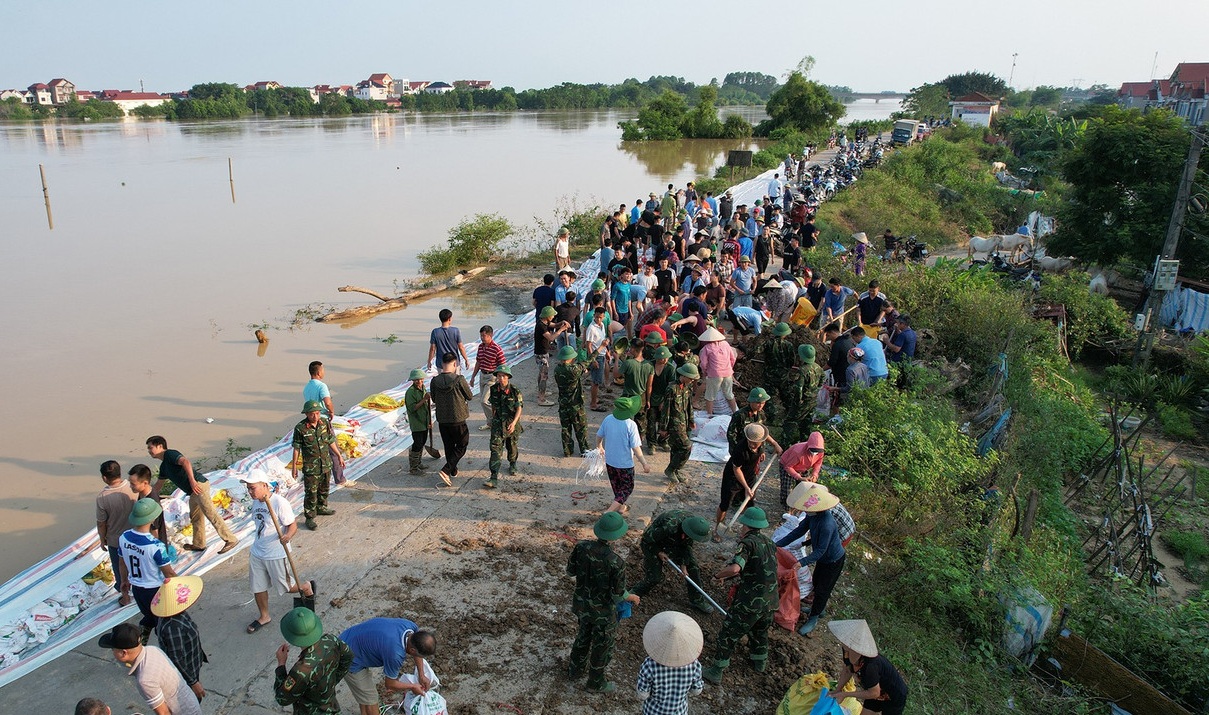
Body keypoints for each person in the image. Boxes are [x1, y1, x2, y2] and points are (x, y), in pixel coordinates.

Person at [701, 506, 778, 684]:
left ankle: (716, 670)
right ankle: (759, 663)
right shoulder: (769, 543)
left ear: (746, 524)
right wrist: (728, 578)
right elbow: (758, 569)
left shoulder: (747, 544)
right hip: (771, 600)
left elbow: (735, 568)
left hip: (750, 602)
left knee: (728, 633)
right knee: (760, 632)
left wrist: (718, 576)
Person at [566, 512, 641, 693]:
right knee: (601, 647)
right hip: (603, 613)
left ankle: (575, 670)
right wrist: (632, 597)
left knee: (583, 636)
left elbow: (570, 571)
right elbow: (618, 594)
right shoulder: (616, 562)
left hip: (582, 605)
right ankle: (595, 683)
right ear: (617, 535)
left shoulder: (581, 547)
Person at [243, 473, 314, 634]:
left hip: (275, 553)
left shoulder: (279, 503)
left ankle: (305, 586)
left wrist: (287, 536)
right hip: (257, 551)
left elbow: (292, 525)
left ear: (264, 486)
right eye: (248, 489)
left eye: (253, 488)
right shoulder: (256, 502)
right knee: (258, 586)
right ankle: (264, 616)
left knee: (286, 587)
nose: (250, 492)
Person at [146, 436, 238, 554]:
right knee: (195, 516)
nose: (149, 451)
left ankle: (230, 539)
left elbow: (185, 462)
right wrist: (147, 498)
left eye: (150, 447)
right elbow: (158, 485)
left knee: (210, 512)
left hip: (198, 486)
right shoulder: (164, 467)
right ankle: (199, 544)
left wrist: (192, 481)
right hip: (193, 491)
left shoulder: (170, 454)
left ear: (159, 446)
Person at [776, 482, 846, 635]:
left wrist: (801, 562)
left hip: (833, 560)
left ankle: (814, 617)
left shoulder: (826, 523)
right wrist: (777, 544)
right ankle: (818, 609)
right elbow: (798, 531)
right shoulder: (811, 516)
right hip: (823, 558)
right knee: (816, 582)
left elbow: (821, 550)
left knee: (822, 589)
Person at [339, 617, 437, 715]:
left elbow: (416, 650)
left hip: (351, 637)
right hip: (348, 656)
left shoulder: (409, 626)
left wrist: (421, 674)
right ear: (412, 650)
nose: (420, 658)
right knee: (371, 699)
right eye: (420, 656)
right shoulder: (395, 654)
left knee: (365, 695)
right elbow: (390, 684)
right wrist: (412, 687)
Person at [99, 623, 201, 715]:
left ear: (124, 653)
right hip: (191, 704)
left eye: (112, 649)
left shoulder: (145, 681)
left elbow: (164, 713)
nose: (112, 652)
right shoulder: (153, 649)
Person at [274, 607, 353, 715]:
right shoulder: (331, 640)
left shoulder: (300, 671)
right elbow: (348, 656)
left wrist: (281, 665)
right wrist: (331, 682)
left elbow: (282, 699)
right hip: (332, 708)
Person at [631, 510, 713, 612]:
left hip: (675, 541)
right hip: (653, 544)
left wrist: (683, 564)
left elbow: (686, 546)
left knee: (693, 568)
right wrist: (659, 552)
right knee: (654, 578)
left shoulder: (691, 526)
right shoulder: (669, 526)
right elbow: (646, 540)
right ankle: (632, 594)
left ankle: (697, 599)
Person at [119, 498, 178, 641]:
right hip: (155, 591)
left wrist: (124, 581)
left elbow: (122, 563)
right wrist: (182, 588)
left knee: (148, 614)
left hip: (137, 589)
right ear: (152, 519)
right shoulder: (155, 546)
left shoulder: (124, 537)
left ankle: (143, 635)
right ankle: (164, 646)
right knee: (163, 623)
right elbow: (168, 573)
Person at [828, 620, 909, 715]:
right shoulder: (846, 650)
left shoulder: (871, 666)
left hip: (893, 695)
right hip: (873, 689)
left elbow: (874, 693)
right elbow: (847, 670)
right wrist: (838, 690)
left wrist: (845, 694)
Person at [151, 576, 208, 703]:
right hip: (185, 674)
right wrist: (193, 682)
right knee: (191, 703)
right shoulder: (173, 627)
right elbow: (176, 658)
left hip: (192, 664)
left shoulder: (176, 615)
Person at [636, 611, 705, 715]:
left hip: (653, 711)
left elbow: (643, 694)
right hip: (679, 711)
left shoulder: (649, 665)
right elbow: (696, 690)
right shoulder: (694, 664)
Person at [291, 401, 343, 530]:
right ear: (306, 414)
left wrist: (339, 455)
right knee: (311, 492)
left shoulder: (324, 423)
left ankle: (321, 507)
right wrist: (294, 466)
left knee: (324, 488)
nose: (315, 416)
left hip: (325, 464)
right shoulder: (300, 428)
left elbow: (330, 441)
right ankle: (309, 517)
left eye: (317, 413)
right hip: (311, 467)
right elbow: (297, 448)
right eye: (312, 414)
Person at [714, 424, 770, 541]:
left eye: (755, 443)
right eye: (750, 441)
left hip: (750, 475)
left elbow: (767, 437)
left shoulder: (761, 441)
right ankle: (717, 530)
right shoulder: (740, 450)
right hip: (733, 477)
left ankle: (746, 533)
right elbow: (736, 470)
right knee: (725, 504)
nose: (752, 444)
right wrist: (746, 488)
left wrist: (775, 445)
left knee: (749, 504)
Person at [596, 396, 650, 514]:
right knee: (627, 488)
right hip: (625, 464)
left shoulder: (608, 419)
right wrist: (644, 463)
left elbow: (599, 435)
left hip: (610, 462)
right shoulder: (630, 425)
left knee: (617, 486)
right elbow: (636, 447)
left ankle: (621, 507)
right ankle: (609, 511)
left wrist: (599, 446)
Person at [96, 460, 136, 603]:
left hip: (116, 540)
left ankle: (125, 597)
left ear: (104, 477)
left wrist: (102, 539)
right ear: (120, 472)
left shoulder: (102, 497)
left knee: (120, 570)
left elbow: (101, 523)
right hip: (136, 535)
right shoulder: (132, 487)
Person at [431, 351, 474, 486]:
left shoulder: (434, 381)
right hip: (458, 418)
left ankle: (453, 470)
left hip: (442, 419)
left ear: (441, 364)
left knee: (448, 445)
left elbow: (434, 398)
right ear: (455, 364)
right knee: (462, 444)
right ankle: (446, 470)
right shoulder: (459, 379)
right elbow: (469, 396)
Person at [485, 365, 523, 488]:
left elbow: (519, 408)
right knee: (495, 449)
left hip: (511, 423)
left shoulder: (515, 391)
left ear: (508, 377)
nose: (501, 379)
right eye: (499, 376)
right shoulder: (494, 389)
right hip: (497, 423)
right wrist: (492, 418)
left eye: (503, 376)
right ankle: (493, 477)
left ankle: (512, 463)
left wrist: (514, 423)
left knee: (512, 446)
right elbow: (493, 405)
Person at [660, 363, 698, 483]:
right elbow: (666, 410)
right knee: (686, 446)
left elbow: (689, 405)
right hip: (674, 424)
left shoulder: (687, 387)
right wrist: (663, 427)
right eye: (691, 378)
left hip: (684, 422)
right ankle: (671, 469)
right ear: (684, 376)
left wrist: (691, 420)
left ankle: (675, 471)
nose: (692, 381)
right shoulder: (671, 389)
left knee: (676, 448)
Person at [783, 344, 825, 444]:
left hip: (803, 400)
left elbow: (799, 389)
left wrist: (798, 401)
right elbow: (823, 378)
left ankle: (785, 444)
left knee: (790, 422)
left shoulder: (802, 370)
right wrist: (816, 390)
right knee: (807, 422)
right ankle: (806, 441)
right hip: (813, 399)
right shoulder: (818, 367)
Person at [555, 345, 591, 457]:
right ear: (571, 358)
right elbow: (588, 361)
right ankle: (584, 450)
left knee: (566, 428)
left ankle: (567, 450)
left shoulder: (557, 369)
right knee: (581, 428)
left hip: (563, 403)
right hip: (575, 404)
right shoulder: (574, 370)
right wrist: (601, 347)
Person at [726, 388, 783, 457]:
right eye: (758, 403)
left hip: (755, 450)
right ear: (751, 401)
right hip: (741, 450)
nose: (761, 405)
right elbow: (731, 435)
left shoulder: (761, 414)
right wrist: (737, 451)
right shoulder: (740, 415)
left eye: (763, 403)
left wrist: (763, 450)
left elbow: (762, 433)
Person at [469, 325, 506, 430]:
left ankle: (496, 419)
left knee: (484, 401)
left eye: (484, 336)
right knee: (486, 400)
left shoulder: (497, 349)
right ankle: (490, 422)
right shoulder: (481, 347)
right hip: (482, 375)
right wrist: (473, 377)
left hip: (492, 377)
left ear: (490, 335)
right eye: (481, 336)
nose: (482, 338)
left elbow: (502, 365)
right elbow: (478, 362)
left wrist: (501, 379)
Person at [535, 306, 571, 405]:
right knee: (544, 375)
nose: (553, 317)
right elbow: (551, 338)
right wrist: (561, 330)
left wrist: (561, 323)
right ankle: (541, 399)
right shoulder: (541, 326)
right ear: (547, 316)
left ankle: (541, 391)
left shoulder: (544, 322)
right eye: (552, 315)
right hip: (541, 354)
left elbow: (554, 325)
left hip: (543, 352)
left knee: (541, 373)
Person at [778, 432, 826, 507]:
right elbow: (788, 467)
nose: (815, 453)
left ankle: (800, 505)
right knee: (787, 488)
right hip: (787, 465)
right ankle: (787, 506)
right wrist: (799, 477)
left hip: (804, 467)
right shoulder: (798, 451)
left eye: (817, 451)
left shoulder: (820, 452)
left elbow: (818, 463)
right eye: (813, 450)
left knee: (804, 488)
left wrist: (814, 474)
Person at [697, 327, 737, 415]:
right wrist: (729, 368)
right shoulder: (726, 344)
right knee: (729, 394)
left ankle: (710, 415)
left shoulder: (706, 348)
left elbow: (703, 363)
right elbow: (732, 358)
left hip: (714, 374)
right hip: (727, 373)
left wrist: (705, 372)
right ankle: (735, 412)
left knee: (710, 396)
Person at [127, 464, 167, 543]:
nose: (130, 486)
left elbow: (155, 532)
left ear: (145, 483)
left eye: (133, 484)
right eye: (130, 483)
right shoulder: (142, 493)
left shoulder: (152, 502)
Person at [583, 307, 610, 411]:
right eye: (597, 317)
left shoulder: (602, 325)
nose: (598, 319)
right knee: (596, 382)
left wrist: (606, 352)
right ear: (594, 315)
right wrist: (593, 359)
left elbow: (603, 340)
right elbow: (588, 345)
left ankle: (595, 399)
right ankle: (593, 404)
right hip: (596, 356)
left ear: (603, 317)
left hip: (601, 354)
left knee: (597, 380)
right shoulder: (591, 328)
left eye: (600, 317)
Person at [824, 323, 856, 391]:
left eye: (828, 335)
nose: (828, 338)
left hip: (841, 374)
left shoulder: (837, 345)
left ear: (833, 332)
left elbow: (831, 362)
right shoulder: (849, 340)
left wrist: (821, 370)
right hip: (852, 371)